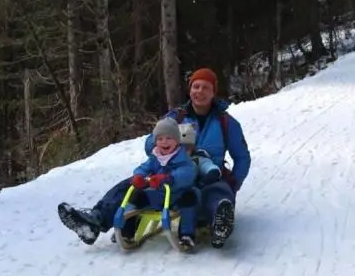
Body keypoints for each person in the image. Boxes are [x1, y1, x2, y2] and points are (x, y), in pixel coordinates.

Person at [57, 67, 250, 249]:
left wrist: (234, 183)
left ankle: (220, 222)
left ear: (213, 92)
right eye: (195, 86)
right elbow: (151, 144)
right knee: (130, 186)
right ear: (189, 89)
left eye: (205, 87)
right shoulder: (177, 118)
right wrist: (170, 144)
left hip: (207, 176)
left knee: (218, 192)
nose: (200, 91)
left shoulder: (226, 122)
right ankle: (96, 221)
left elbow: (242, 157)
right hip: (173, 173)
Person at [112, 118, 199, 250]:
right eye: (160, 139)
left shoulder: (183, 158)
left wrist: (169, 178)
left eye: (169, 138)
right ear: (155, 141)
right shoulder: (155, 158)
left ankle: (186, 235)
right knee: (136, 196)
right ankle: (126, 232)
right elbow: (144, 167)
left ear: (177, 140)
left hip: (176, 196)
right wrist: (139, 176)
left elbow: (187, 174)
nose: (164, 142)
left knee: (190, 198)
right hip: (157, 196)